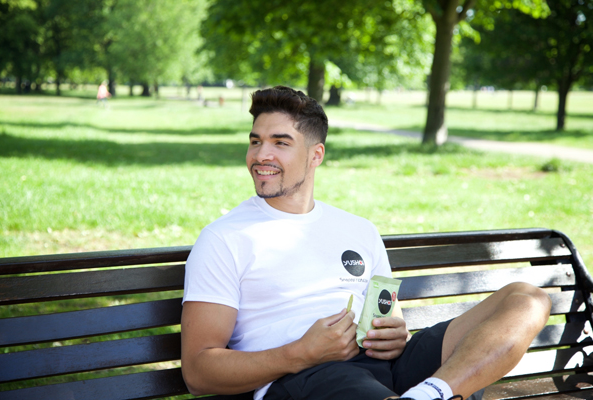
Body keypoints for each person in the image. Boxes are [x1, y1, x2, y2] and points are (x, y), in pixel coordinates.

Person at [180, 86, 552, 400]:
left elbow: (388, 315)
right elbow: (198, 372)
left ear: (315, 155)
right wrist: (300, 353)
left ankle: (431, 393)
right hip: (305, 378)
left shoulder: (358, 230)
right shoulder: (225, 239)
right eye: (256, 141)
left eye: (280, 143)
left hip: (385, 366)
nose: (262, 155)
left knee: (527, 298)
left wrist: (394, 334)